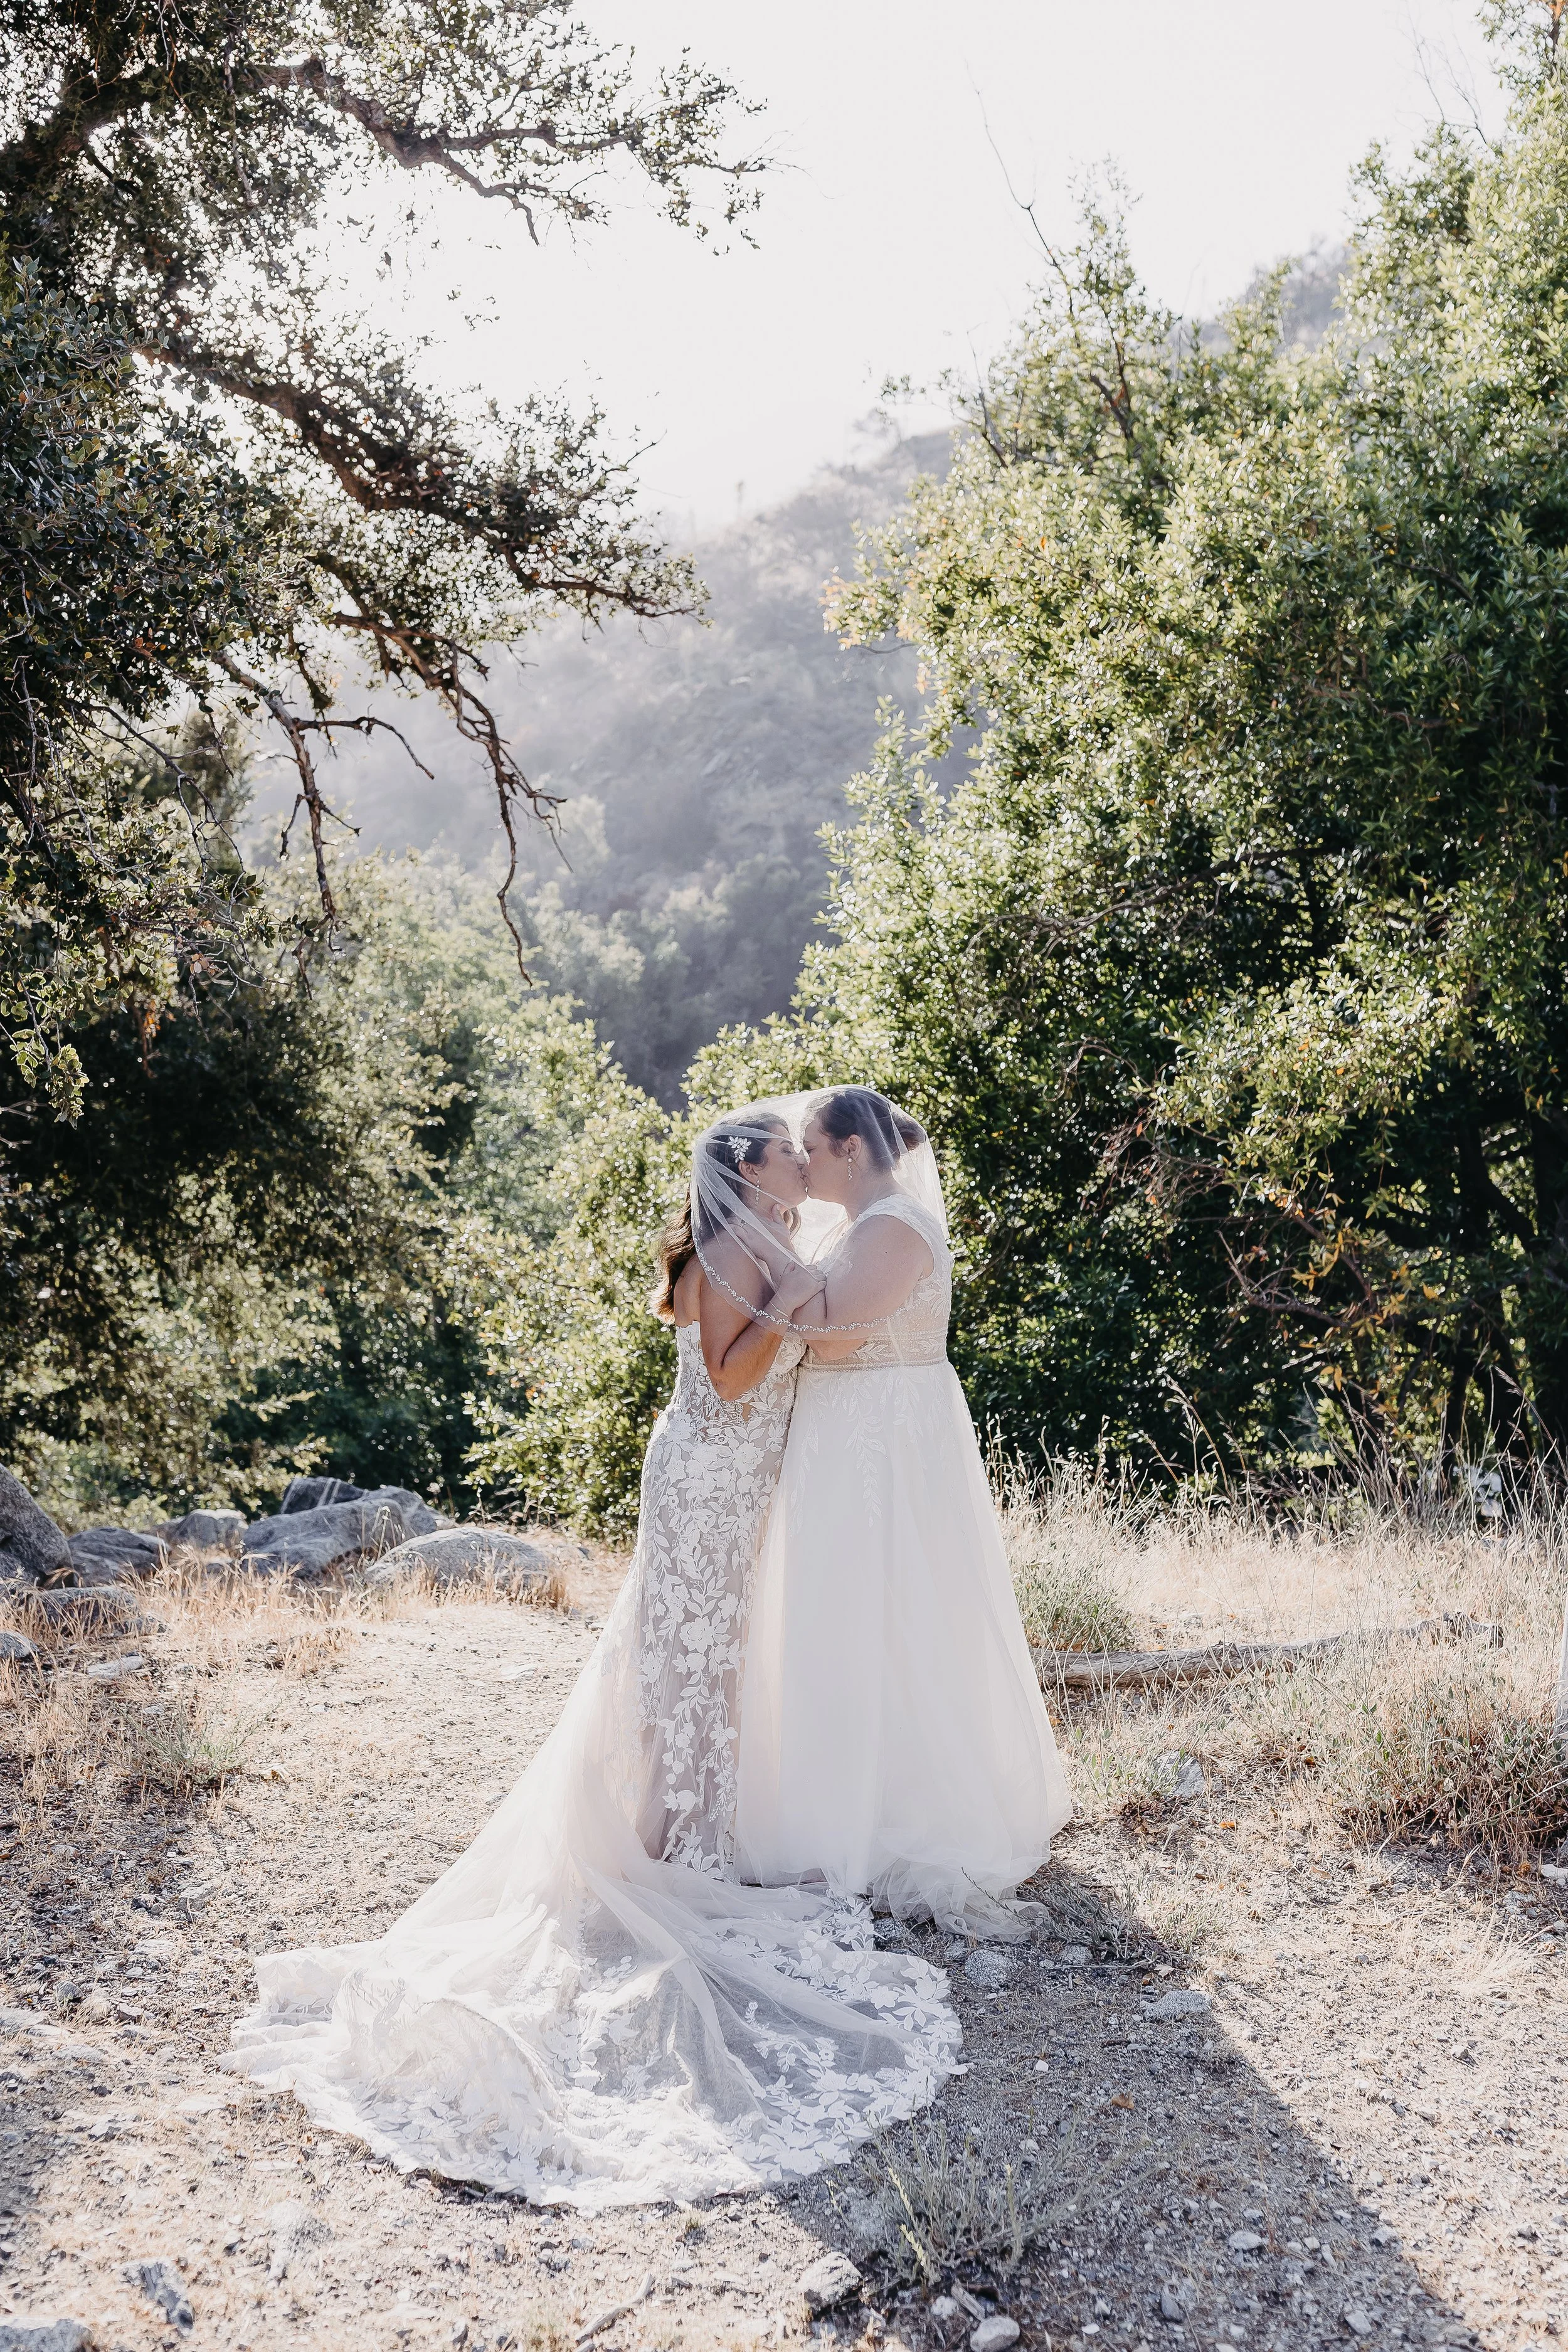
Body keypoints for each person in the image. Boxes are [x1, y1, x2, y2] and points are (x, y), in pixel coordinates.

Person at [228, 1104, 960, 2209]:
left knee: (708, 1665)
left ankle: (684, 1836)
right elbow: (728, 1378)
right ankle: (662, 1849)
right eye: (780, 1148)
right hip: (706, 1484)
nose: (799, 1158)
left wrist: (799, 1291)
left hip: (743, 1488)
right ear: (746, 1171)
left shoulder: (769, 1243)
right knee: (680, 1664)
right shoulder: (729, 1252)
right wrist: (792, 1306)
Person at [735, 1086, 1072, 1932]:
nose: (802, 1164)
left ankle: (888, 1819)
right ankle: (832, 1805)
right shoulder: (859, 1224)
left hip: (880, 1444)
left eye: (812, 1148)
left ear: (852, 1149)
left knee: (889, 1617)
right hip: (851, 1440)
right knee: (842, 1620)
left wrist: (762, 1256)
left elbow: (836, 1330)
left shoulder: (893, 1225)